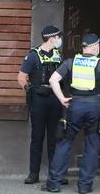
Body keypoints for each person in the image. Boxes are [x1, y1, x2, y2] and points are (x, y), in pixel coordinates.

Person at [41, 33, 100, 194]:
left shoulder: (71, 62)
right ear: (93, 47)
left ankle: (54, 184)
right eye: (98, 45)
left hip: (75, 105)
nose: (99, 47)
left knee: (64, 142)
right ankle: (85, 186)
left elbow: (53, 80)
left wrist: (62, 98)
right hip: (94, 106)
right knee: (92, 145)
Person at [17, 25, 64, 185]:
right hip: (38, 100)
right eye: (58, 37)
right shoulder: (33, 55)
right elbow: (21, 77)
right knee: (37, 137)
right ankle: (33, 173)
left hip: (55, 100)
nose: (60, 40)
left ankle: (55, 174)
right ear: (51, 38)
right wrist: (28, 89)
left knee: (55, 138)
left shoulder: (59, 56)